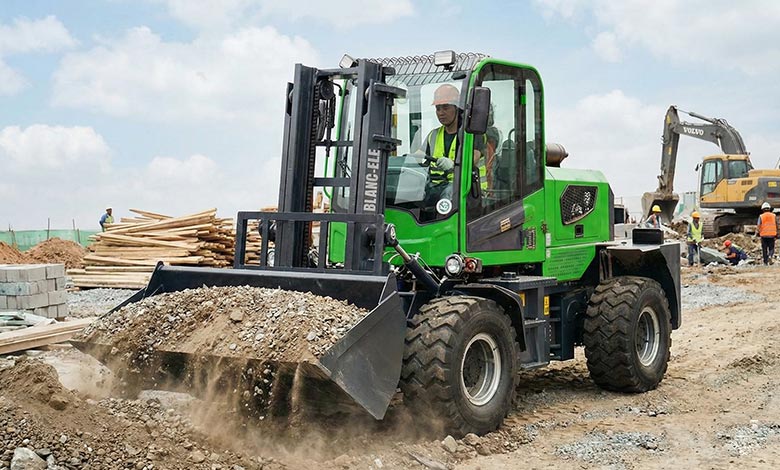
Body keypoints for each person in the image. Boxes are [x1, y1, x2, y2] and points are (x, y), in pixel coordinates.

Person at [424, 84, 486, 203]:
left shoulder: (473, 132)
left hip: (470, 191)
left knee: (449, 191)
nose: (441, 113)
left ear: (457, 108)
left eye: (446, 107)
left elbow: (474, 157)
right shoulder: (433, 135)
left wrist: (453, 164)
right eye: (438, 108)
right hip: (438, 188)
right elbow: (420, 157)